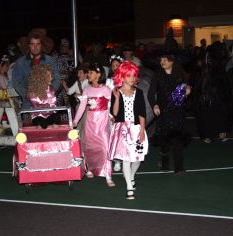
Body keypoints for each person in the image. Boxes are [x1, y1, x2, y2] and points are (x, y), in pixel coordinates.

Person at [108, 61, 148, 200]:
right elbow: (114, 113)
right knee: (126, 158)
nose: (132, 78)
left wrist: (142, 130)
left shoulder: (139, 92)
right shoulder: (116, 91)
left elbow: (142, 113)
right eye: (129, 75)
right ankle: (129, 187)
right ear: (122, 76)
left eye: (134, 75)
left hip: (136, 128)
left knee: (138, 158)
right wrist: (117, 98)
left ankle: (131, 175)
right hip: (122, 129)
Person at [147, 52, 191, 175]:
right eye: (161, 59)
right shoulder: (157, 75)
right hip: (163, 111)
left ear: (172, 61)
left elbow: (186, 87)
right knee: (164, 140)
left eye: (166, 60)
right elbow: (151, 93)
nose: (163, 62)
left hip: (178, 111)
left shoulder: (180, 74)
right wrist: (154, 104)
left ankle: (179, 167)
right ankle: (164, 160)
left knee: (177, 139)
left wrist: (188, 89)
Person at [73, 63, 113, 186]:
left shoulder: (106, 89)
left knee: (104, 146)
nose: (88, 75)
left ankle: (107, 174)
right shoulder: (86, 90)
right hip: (90, 121)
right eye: (88, 72)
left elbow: (111, 106)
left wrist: (112, 116)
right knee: (89, 146)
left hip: (102, 122)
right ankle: (89, 167)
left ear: (99, 74)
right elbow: (82, 107)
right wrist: (75, 121)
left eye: (91, 72)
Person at [11, 31, 60, 109]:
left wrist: (49, 93)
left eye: (38, 44)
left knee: (49, 121)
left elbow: (57, 79)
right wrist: (27, 94)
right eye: (32, 44)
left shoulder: (50, 61)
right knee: (28, 121)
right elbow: (16, 81)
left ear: (41, 45)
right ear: (29, 46)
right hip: (28, 103)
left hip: (48, 103)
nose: (35, 47)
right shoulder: (20, 62)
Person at [27, 64, 59, 129]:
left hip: (50, 114)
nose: (51, 78)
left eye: (51, 76)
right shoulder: (33, 92)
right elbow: (36, 106)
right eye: (49, 76)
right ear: (42, 78)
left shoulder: (51, 89)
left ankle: (56, 136)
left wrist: (49, 107)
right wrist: (47, 105)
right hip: (38, 115)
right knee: (41, 123)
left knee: (56, 118)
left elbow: (53, 105)